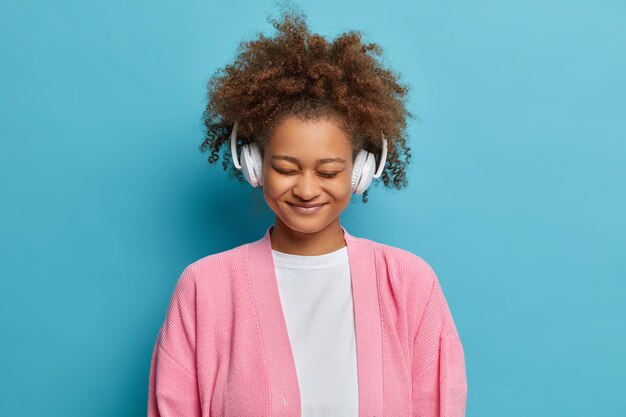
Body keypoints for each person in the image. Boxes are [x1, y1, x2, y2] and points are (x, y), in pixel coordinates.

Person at [147, 7, 467, 417]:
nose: (306, 188)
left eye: (329, 171)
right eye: (286, 168)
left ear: (362, 171)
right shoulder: (204, 288)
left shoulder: (408, 283)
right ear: (254, 164)